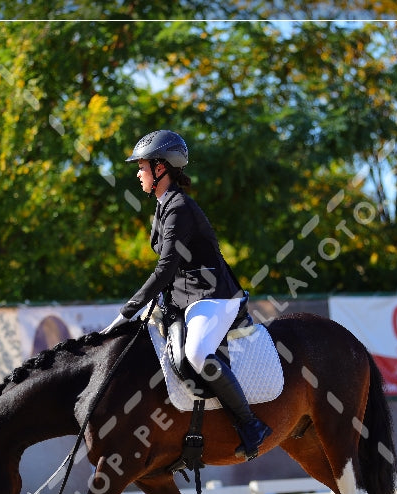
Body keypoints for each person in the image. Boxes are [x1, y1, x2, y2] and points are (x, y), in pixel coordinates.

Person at [100, 130, 272, 460]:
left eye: (142, 167)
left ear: (161, 168)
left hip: (213, 296)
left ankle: (251, 424)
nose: (138, 173)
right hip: (184, 297)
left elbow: (165, 268)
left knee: (196, 353)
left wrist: (128, 310)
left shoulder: (179, 208)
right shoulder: (163, 207)